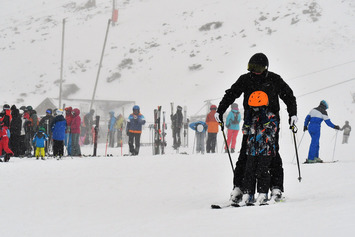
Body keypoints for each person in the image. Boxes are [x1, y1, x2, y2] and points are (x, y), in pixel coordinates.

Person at [214, 53, 297, 203]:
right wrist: (220, 110)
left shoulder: (274, 79)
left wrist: (293, 114)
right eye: (251, 67)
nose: (254, 71)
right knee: (246, 154)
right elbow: (231, 93)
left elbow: (289, 96)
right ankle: (239, 187)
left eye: (258, 68)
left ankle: (276, 187)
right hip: (250, 122)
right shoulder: (245, 79)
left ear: (265, 68)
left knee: (271, 153)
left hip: (271, 123)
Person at [238, 91, 279, 206]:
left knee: (263, 171)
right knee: (249, 171)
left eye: (258, 107)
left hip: (266, 149)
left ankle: (263, 193)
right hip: (251, 149)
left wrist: (265, 121)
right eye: (253, 107)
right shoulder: (251, 117)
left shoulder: (271, 116)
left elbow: (272, 132)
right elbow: (245, 132)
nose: (255, 110)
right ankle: (248, 194)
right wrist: (246, 122)